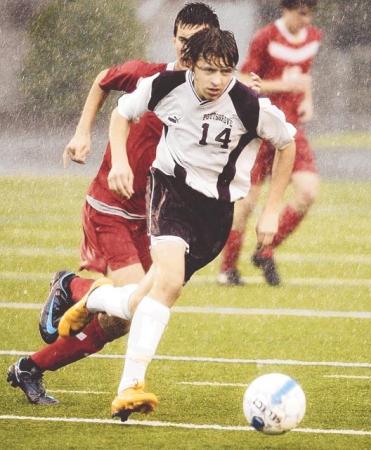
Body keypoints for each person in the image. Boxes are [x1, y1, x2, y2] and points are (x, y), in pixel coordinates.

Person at [58, 27, 296, 422]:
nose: (217, 81)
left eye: (225, 71)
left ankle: (93, 299)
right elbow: (121, 113)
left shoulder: (250, 105)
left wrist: (271, 209)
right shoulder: (165, 85)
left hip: (215, 216)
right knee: (168, 285)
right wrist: (118, 160)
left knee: (139, 302)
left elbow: (285, 143)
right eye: (208, 70)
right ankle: (129, 388)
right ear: (192, 66)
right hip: (169, 195)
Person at [7, 2, 221, 406]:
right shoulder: (150, 76)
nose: (186, 49)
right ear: (173, 39)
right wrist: (83, 135)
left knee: (119, 320)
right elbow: (104, 81)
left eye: (196, 42)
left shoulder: (214, 97)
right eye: (182, 40)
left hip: (153, 217)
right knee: (135, 302)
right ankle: (71, 284)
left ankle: (30, 367)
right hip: (110, 207)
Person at [218, 0, 321, 286]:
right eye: (302, 13)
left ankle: (265, 249)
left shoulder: (313, 37)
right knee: (246, 203)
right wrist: (282, 87)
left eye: (311, 13)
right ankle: (228, 270)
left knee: (308, 192)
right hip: (261, 128)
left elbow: (303, 76)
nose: (307, 19)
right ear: (286, 9)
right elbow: (245, 80)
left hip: (291, 131)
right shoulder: (265, 38)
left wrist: (307, 100)